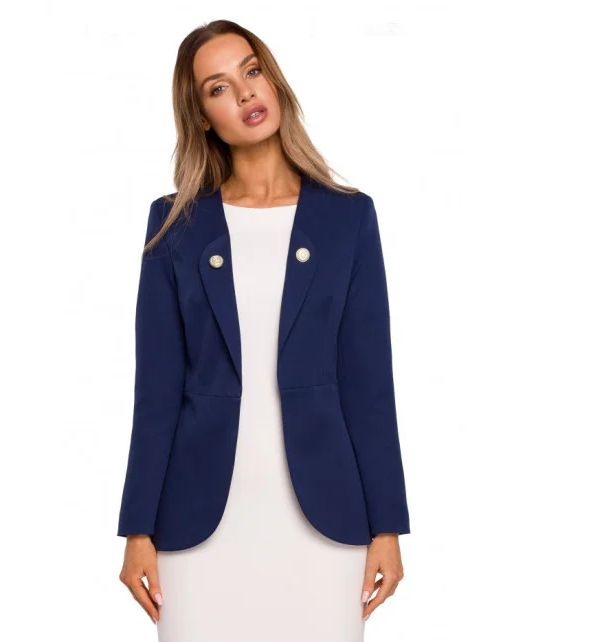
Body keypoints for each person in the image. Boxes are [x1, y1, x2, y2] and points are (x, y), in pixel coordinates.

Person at [117, 19, 410, 641]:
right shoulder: (174, 226)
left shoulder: (348, 218)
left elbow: (369, 385)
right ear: (201, 117)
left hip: (326, 521)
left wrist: (388, 525)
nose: (246, 92)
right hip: (196, 522)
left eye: (252, 71)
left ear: (273, 80)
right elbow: (156, 392)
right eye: (218, 88)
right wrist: (137, 529)